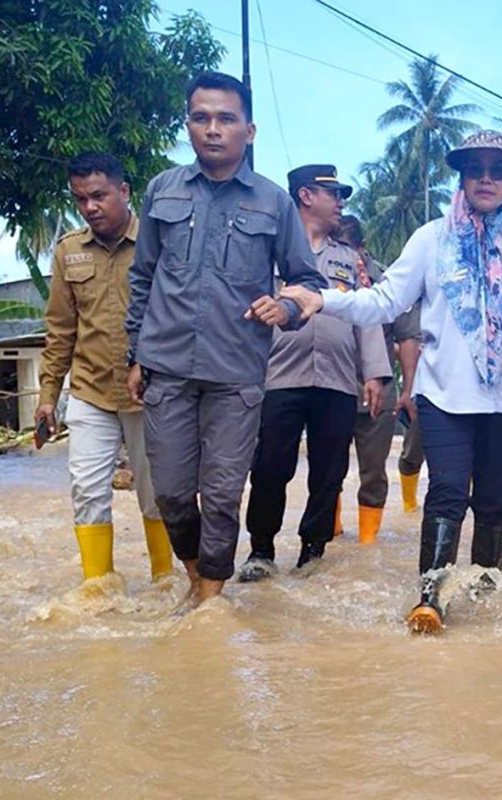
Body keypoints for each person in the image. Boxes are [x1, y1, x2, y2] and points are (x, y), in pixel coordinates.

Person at [279, 130, 502, 634]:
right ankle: (430, 598)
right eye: (475, 170)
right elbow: (385, 301)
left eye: (497, 171)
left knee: (496, 500)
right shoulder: (432, 239)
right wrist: (324, 299)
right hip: (444, 394)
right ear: (462, 177)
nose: (486, 179)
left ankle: (483, 594)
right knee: (448, 492)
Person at [125, 71, 324, 606]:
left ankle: (209, 597)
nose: (213, 129)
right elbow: (143, 277)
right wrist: (134, 355)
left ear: (248, 130)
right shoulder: (162, 190)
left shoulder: (274, 202)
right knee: (169, 490)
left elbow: (308, 282)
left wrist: (283, 306)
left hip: (236, 374)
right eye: (202, 117)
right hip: (166, 366)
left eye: (226, 119)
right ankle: (197, 575)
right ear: (188, 125)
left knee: (221, 494)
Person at [237, 168, 391, 582]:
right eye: (333, 193)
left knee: (330, 470)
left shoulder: (350, 259)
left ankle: (313, 551)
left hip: (338, 380)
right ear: (305, 196)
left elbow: (368, 316)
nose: (340, 201)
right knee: (270, 466)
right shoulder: (268, 252)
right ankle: (261, 551)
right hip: (277, 377)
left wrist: (374, 373)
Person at [36, 152, 172, 584]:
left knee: (158, 496)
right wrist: (46, 399)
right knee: (87, 490)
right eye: (80, 199)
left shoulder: (159, 243)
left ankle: (166, 585)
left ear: (124, 192)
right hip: (91, 392)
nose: (90, 207)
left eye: (98, 196)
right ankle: (98, 593)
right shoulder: (69, 252)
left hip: (150, 393)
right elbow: (60, 329)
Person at [333, 214, 424, 541]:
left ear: (362, 248)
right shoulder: (317, 272)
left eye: (347, 248)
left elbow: (408, 337)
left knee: (373, 472)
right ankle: (332, 535)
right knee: (329, 470)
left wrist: (409, 389)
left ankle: (368, 543)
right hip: (334, 386)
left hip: (379, 389)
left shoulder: (387, 282)